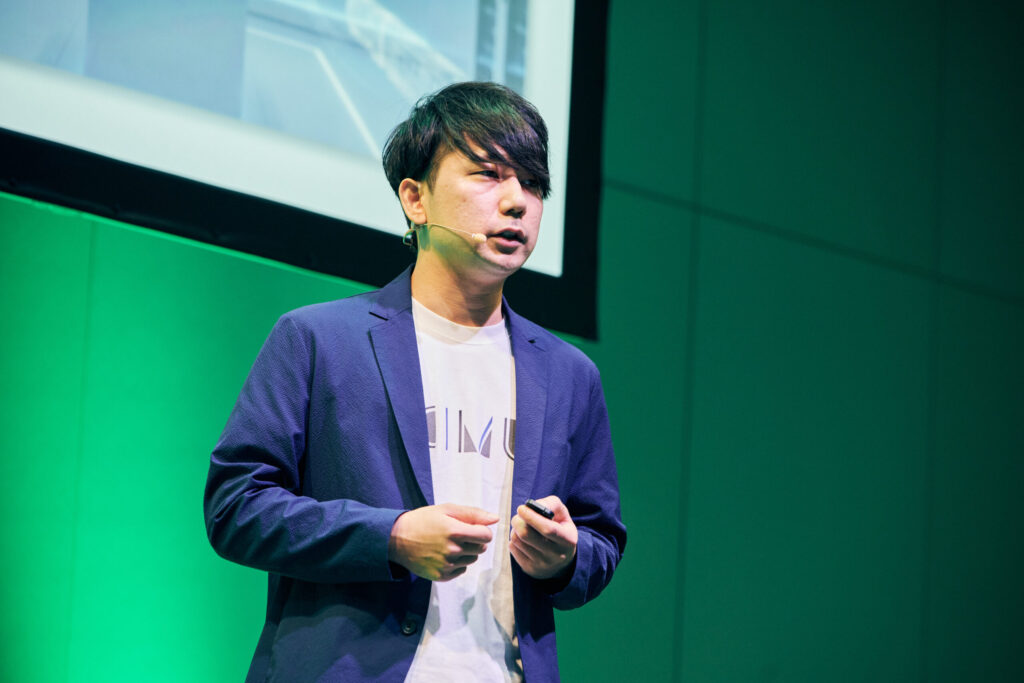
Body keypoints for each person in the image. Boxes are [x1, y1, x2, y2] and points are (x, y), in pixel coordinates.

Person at [204, 81, 626, 682]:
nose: (517, 202)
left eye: (533, 184)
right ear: (415, 198)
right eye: (488, 174)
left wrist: (566, 556)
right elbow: (236, 506)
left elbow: (601, 540)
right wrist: (391, 537)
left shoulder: (569, 375)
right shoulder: (320, 339)